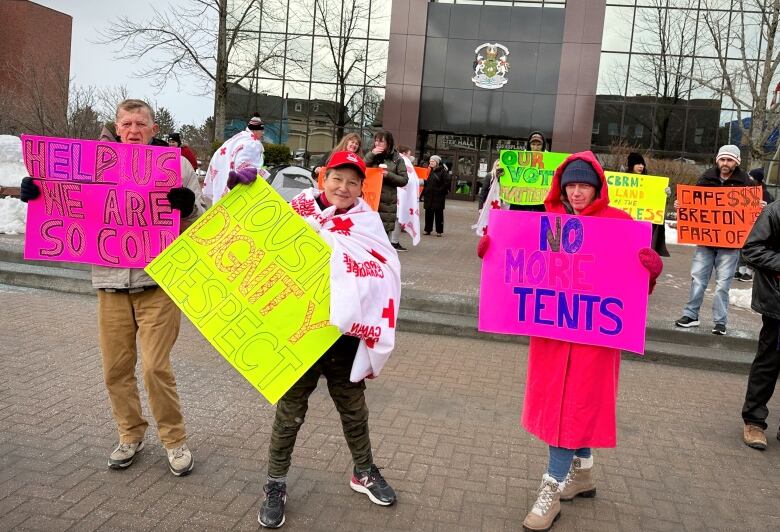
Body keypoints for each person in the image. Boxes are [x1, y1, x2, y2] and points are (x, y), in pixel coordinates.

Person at [476, 152, 662, 531]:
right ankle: (583, 474)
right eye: (571, 186)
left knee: (572, 409)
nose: (577, 193)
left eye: (584, 186)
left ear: (597, 188)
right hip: (552, 337)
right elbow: (517, 268)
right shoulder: (547, 223)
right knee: (564, 406)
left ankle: (551, 488)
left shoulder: (619, 224)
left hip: (594, 341)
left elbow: (630, 290)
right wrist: (492, 255)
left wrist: (650, 273)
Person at [19, 99, 205, 476]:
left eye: (141, 123)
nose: (134, 129)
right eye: (127, 123)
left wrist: (186, 210)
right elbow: (64, 202)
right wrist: (38, 195)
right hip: (110, 281)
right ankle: (130, 433)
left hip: (158, 284)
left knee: (155, 367)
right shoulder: (91, 167)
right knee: (115, 369)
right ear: (118, 128)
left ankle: (174, 440)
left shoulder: (177, 167)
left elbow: (200, 225)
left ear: (154, 129)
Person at [229, 151, 400, 528]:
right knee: (290, 414)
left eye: (353, 182)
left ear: (361, 187)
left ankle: (364, 470)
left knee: (354, 409)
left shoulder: (367, 222)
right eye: (338, 178)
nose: (344, 187)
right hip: (297, 335)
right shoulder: (295, 210)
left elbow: (386, 271)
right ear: (322, 178)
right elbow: (256, 243)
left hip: (343, 337)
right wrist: (239, 196)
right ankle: (275, 483)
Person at [674, 145, 761, 336]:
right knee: (698, 279)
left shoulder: (746, 182)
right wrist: (681, 204)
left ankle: (720, 321)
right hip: (705, 241)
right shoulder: (706, 178)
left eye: (729, 160)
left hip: (729, 245)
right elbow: (693, 203)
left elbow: (753, 209)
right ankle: (691, 315)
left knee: (723, 284)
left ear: (736, 162)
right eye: (722, 159)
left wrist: (759, 206)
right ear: (717, 160)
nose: (725, 163)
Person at [740, 198, 780, 450]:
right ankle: (754, 421)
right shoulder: (775, 211)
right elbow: (752, 249)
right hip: (778, 304)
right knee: (769, 362)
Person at [203, 113, 265, 205]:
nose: (263, 133)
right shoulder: (252, 143)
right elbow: (243, 167)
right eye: (261, 130)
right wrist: (262, 173)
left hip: (221, 178)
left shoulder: (238, 138)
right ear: (255, 130)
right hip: (236, 189)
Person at [363, 130, 409, 237]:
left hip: (387, 205)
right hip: (370, 200)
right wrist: (371, 154)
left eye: (381, 142)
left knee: (382, 237)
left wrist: (388, 175)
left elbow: (404, 180)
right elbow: (360, 168)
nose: (377, 144)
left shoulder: (397, 159)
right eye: (376, 141)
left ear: (388, 143)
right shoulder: (370, 155)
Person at [626, 152, 670, 257]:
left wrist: (664, 195)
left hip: (643, 226)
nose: (641, 166)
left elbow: (656, 202)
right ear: (631, 165)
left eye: (642, 164)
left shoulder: (650, 182)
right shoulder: (622, 181)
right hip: (628, 226)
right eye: (638, 164)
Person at [735, 168, 775, 282]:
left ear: (756, 179)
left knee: (752, 247)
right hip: (745, 224)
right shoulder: (746, 190)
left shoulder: (765, 194)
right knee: (741, 247)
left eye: (750, 177)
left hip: (757, 227)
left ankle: (750, 271)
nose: (748, 178)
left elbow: (770, 211)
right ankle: (741, 269)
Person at [509, 131, 549, 213]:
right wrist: (501, 176)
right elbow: (509, 179)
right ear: (529, 145)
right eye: (533, 144)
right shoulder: (518, 161)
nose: (536, 147)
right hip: (520, 205)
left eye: (539, 145)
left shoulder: (550, 161)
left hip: (540, 206)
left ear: (543, 146)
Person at [390, 145, 421, 250]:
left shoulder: (397, 160)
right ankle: (393, 242)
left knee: (396, 219)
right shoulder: (403, 161)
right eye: (409, 153)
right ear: (404, 153)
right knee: (398, 218)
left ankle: (393, 241)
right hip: (400, 196)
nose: (410, 156)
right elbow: (410, 180)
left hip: (397, 195)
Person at [473, 159, 506, 236]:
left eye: (501, 165)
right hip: (490, 206)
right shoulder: (490, 176)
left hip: (502, 206)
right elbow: (483, 193)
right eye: (497, 165)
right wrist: (480, 208)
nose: (499, 167)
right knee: (489, 226)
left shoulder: (506, 179)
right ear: (494, 166)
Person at [421, 155, 451, 236]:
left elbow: (446, 183)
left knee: (438, 214)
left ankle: (439, 231)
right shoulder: (428, 171)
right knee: (428, 214)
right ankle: (427, 230)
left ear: (437, 162)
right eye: (430, 161)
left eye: (433, 161)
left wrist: (439, 190)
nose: (431, 163)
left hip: (438, 197)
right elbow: (426, 182)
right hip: (429, 196)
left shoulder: (443, 172)